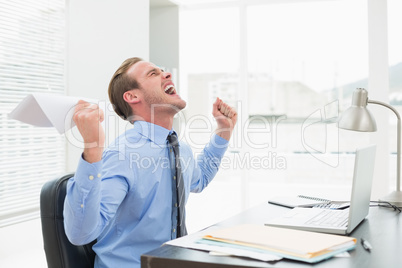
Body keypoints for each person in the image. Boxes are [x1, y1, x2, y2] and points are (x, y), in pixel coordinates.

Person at [63, 57, 238, 268]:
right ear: (132, 96)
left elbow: (199, 180)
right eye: (153, 74)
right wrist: (92, 148)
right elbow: (81, 234)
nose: (167, 74)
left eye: (163, 70)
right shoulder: (122, 155)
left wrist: (224, 130)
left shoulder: (180, 148)